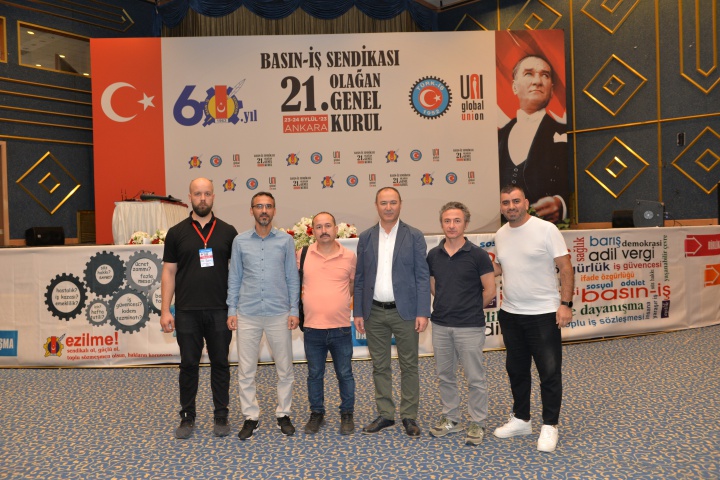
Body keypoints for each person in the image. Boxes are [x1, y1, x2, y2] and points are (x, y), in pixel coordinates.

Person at [492, 184, 574, 453]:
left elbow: (565, 267)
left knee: (549, 372)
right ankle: (521, 419)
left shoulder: (546, 229)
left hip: (543, 315)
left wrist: (565, 304)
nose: (511, 207)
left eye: (516, 201)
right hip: (511, 314)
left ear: (526, 203)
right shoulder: (500, 234)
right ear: (501, 206)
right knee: (516, 370)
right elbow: (503, 266)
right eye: (506, 202)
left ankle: (550, 425)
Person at [160, 177, 238, 439]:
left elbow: (237, 273)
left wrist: (234, 308)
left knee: (221, 364)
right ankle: (187, 416)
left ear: (213, 196)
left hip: (220, 310)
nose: (202, 198)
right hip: (187, 312)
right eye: (197, 194)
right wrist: (165, 310)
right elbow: (169, 273)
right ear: (190, 197)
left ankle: (221, 415)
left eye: (207, 194)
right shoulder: (176, 233)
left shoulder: (228, 232)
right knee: (188, 365)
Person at [353, 187, 431, 437]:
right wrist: (358, 312)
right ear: (376, 205)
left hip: (405, 312)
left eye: (393, 202)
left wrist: (423, 311)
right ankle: (385, 414)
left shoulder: (414, 235)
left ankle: (409, 415)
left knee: (409, 365)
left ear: (400, 204)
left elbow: (422, 276)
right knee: (380, 366)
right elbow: (360, 277)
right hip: (374, 312)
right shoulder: (366, 237)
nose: (388, 207)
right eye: (383, 203)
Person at [226, 192, 300, 440]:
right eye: (259, 206)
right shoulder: (240, 241)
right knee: (246, 370)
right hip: (247, 313)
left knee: (285, 369)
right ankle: (251, 416)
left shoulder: (286, 241)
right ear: (252, 211)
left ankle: (283, 414)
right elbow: (234, 277)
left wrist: (294, 310)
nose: (264, 210)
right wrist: (232, 310)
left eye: (268, 206)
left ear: (274, 211)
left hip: (279, 313)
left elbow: (292, 278)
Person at [426, 201, 496, 446]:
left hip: (470, 326)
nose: (452, 225)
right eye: (447, 221)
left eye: (457, 221)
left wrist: (469, 308)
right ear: (441, 224)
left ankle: (478, 421)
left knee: (475, 378)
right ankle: (451, 418)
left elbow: (489, 290)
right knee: (445, 375)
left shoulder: (478, 255)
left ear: (466, 224)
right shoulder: (433, 255)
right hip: (441, 325)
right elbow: (434, 286)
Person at [298, 212, 357, 435]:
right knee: (314, 374)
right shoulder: (302, 254)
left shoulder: (349, 257)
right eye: (319, 227)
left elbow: (352, 286)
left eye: (328, 226)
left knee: (345, 374)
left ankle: (347, 414)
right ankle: (317, 413)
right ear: (312, 230)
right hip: (312, 328)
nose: (324, 230)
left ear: (335, 229)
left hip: (341, 327)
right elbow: (295, 284)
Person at [498, 54, 569, 224]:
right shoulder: (497, 137)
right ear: (514, 87)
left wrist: (561, 204)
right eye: (529, 73)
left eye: (545, 75)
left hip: (545, 228)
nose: (537, 81)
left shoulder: (566, 134)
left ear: (551, 90)